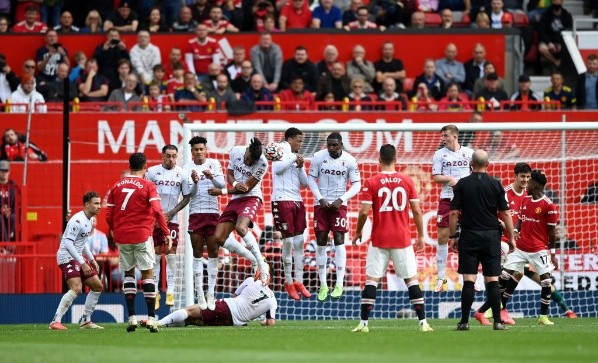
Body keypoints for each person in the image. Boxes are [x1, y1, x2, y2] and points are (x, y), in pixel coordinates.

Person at [351, 144, 432, 333]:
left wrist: (357, 232)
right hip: (402, 238)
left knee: (372, 280)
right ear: (396, 160)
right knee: (411, 280)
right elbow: (417, 211)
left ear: (379, 160)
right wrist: (420, 235)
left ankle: (364, 324)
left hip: (379, 238)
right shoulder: (407, 181)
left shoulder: (372, 182)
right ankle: (423, 323)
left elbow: (363, 212)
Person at [105, 152, 172, 333]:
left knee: (128, 274)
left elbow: (108, 215)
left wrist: (115, 229)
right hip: (142, 235)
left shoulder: (116, 186)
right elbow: (158, 211)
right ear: (145, 167)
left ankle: (132, 318)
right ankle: (151, 319)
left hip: (122, 236)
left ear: (129, 165)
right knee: (148, 275)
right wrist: (166, 233)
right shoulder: (148, 185)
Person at [449, 149, 514, 331]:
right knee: (492, 280)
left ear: (471, 164)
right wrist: (512, 238)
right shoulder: (496, 184)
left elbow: (453, 212)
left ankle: (463, 322)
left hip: (469, 236)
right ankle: (498, 323)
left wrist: (453, 236)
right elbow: (506, 213)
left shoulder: (462, 184)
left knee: (469, 280)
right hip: (491, 236)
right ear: (488, 164)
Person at [472, 161, 531, 326]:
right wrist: (508, 228)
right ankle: (491, 310)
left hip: (517, 244)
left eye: (528, 177)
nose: (525, 180)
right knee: (499, 277)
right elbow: (495, 215)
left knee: (517, 274)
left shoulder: (528, 196)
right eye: (522, 176)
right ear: (515, 176)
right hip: (501, 242)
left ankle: (499, 308)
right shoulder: (504, 193)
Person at [207, 138, 270, 288]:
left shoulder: (262, 163)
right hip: (236, 198)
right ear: (247, 150)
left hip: (252, 197)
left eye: (251, 162)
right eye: (247, 159)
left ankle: (262, 267)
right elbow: (229, 174)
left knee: (241, 228)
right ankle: (253, 258)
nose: (248, 163)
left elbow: (246, 188)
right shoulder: (236, 151)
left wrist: (222, 191)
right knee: (218, 238)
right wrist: (235, 183)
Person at [499, 169, 559, 325]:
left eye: (530, 181)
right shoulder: (525, 200)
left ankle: (543, 317)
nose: (527, 184)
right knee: (504, 275)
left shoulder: (548, 205)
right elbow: (520, 219)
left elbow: (552, 233)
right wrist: (517, 229)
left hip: (539, 249)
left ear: (536, 185)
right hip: (520, 248)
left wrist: (552, 254)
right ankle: (498, 307)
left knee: (546, 281)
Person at [308, 132, 361, 301]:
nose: (331, 148)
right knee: (321, 242)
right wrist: (320, 198)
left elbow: (357, 184)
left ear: (341, 145)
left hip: (340, 205)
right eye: (329, 144)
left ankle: (339, 284)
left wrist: (342, 199)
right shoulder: (318, 157)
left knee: (339, 240)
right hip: (321, 205)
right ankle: (323, 284)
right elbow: (311, 179)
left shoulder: (350, 160)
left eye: (334, 145)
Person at [145, 145, 198, 308]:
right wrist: (153, 216)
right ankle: (154, 293)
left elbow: (187, 197)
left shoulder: (182, 174)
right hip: (153, 220)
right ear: (162, 156)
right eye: (168, 156)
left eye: (174, 156)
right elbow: (145, 195)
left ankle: (171, 291)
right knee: (153, 255)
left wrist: (171, 213)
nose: (171, 159)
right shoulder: (152, 172)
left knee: (170, 253)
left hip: (172, 219)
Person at [49, 191, 105, 330]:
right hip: (66, 256)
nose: (99, 206)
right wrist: (83, 263)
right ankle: (55, 321)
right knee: (77, 288)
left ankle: (86, 320)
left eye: (99, 203)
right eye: (96, 203)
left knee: (97, 286)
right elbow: (68, 244)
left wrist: (91, 260)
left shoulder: (90, 220)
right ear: (87, 204)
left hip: (77, 257)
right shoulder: (77, 220)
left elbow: (82, 241)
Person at [183, 136, 226, 310]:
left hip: (213, 213)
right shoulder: (186, 168)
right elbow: (189, 193)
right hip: (195, 213)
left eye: (201, 149)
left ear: (205, 149)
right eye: (196, 149)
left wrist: (212, 177)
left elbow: (221, 186)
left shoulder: (214, 164)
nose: (199, 152)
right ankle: (199, 293)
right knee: (197, 252)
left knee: (214, 251)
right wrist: (194, 182)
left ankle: (211, 293)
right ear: (192, 151)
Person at [432, 124, 474, 292]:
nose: (443, 138)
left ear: (455, 137)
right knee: (443, 236)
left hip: (468, 199)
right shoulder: (439, 154)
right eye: (442, 135)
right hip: (448, 197)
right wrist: (450, 179)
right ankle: (441, 277)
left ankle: (472, 277)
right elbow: (435, 177)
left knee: (470, 237)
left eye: (446, 135)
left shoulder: (470, 153)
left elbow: (478, 172)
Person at [271, 127, 311, 301]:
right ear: (290, 139)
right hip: (281, 199)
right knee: (287, 242)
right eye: (298, 140)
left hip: (297, 200)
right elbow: (277, 169)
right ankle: (288, 281)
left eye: (301, 141)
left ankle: (299, 281)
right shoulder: (281, 150)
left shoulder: (296, 157)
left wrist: (301, 167)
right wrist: (294, 158)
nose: (300, 144)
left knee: (300, 241)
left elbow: (305, 184)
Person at [154, 274, 277, 328]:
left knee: (189, 311)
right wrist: (263, 322)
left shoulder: (251, 280)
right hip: (233, 323)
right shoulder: (273, 300)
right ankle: (164, 325)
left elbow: (234, 296)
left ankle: (158, 323)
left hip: (227, 307)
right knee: (192, 321)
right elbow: (271, 322)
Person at [0, 160, 18, 242]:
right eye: (2, 170)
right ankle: (6, 245)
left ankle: (5, 247)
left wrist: (9, 212)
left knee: (13, 217)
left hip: (8, 213)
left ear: (9, 171)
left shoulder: (13, 185)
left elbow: (15, 204)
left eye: (6, 170)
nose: (4, 173)